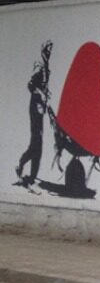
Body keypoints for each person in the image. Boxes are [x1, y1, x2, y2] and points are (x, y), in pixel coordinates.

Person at [16, 41, 52, 186]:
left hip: (40, 109)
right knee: (36, 142)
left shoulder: (46, 66)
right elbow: (31, 85)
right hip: (35, 108)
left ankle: (31, 176)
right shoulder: (40, 64)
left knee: (38, 143)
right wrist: (41, 94)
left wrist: (46, 94)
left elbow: (41, 86)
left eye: (51, 50)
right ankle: (21, 164)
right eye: (48, 49)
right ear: (43, 49)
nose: (50, 52)